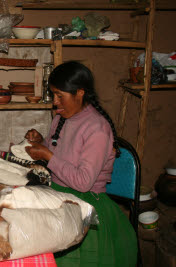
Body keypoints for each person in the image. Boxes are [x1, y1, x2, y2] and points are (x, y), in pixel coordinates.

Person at [24, 61, 137, 266]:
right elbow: (60, 149)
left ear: (80, 93)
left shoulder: (97, 129)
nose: (55, 102)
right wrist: (41, 142)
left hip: (87, 204)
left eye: (60, 96)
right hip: (60, 194)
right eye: (53, 95)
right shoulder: (63, 117)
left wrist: (48, 155)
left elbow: (83, 182)